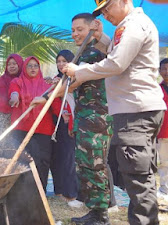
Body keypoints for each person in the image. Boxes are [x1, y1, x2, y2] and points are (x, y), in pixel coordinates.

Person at [62, 1, 166, 224]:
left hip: (137, 110)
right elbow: (119, 54)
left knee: (137, 179)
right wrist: (103, 38)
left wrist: (80, 70)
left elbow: (117, 63)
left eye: (108, 7)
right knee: (134, 176)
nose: (106, 15)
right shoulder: (128, 26)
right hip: (131, 111)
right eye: (102, 12)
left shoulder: (135, 24)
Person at [33, 13, 114, 224]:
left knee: (95, 165)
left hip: (97, 118)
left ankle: (101, 215)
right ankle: (95, 211)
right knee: (86, 166)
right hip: (84, 117)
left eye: (80, 29)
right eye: (73, 30)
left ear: (92, 28)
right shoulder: (83, 53)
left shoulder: (96, 52)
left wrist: (46, 99)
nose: (75, 33)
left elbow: (72, 83)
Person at [8, 56, 62, 191]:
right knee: (21, 161)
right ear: (24, 68)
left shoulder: (47, 86)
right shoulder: (17, 81)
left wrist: (64, 115)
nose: (33, 69)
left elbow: (55, 104)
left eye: (35, 66)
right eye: (29, 66)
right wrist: (14, 97)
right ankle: (21, 191)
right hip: (21, 129)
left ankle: (39, 192)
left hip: (42, 130)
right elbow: (14, 91)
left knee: (41, 162)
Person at [47, 50, 81, 208]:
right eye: (58, 61)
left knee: (69, 159)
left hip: (70, 124)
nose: (60, 64)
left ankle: (71, 193)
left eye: (64, 61)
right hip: (57, 124)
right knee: (58, 158)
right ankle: (59, 191)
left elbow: (75, 104)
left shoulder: (76, 79)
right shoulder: (56, 80)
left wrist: (71, 121)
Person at [0, 54, 23, 149]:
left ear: (20, 65)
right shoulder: (0, 81)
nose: (11, 66)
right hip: (0, 117)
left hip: (17, 117)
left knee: (12, 147)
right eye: (9, 64)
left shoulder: (24, 81)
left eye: (14, 63)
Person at [157, 58, 168, 200]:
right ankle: (165, 189)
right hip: (163, 132)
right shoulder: (156, 90)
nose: (166, 72)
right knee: (164, 162)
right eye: (164, 69)